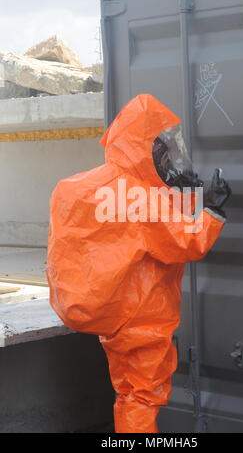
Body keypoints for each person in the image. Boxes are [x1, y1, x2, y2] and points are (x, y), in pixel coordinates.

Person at [47, 94, 231, 433]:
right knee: (142, 395)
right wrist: (214, 209)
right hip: (140, 316)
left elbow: (131, 226)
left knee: (126, 390)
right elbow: (188, 240)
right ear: (147, 146)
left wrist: (186, 193)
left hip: (104, 310)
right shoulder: (144, 198)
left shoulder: (76, 187)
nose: (169, 155)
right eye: (163, 147)